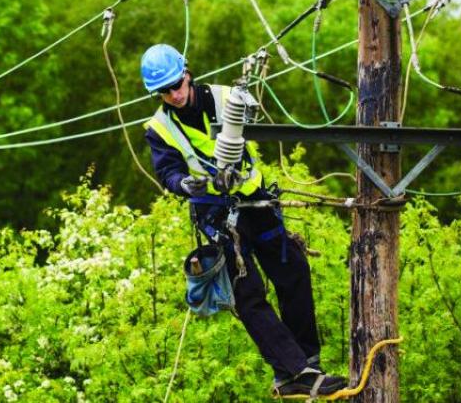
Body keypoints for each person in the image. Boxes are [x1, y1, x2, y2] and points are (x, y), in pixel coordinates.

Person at [140, 43, 347, 397]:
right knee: (247, 292)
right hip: (217, 215)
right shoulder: (159, 129)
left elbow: (256, 127)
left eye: (177, 85)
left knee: (293, 269)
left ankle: (305, 362)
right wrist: (183, 184)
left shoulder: (225, 98)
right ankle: (295, 371)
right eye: (164, 91)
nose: (174, 95)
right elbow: (168, 172)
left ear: (187, 73)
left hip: (256, 202)